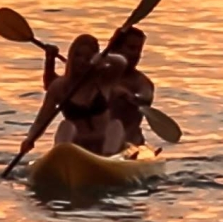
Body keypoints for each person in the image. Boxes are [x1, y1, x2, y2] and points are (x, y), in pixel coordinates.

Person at [14, 34, 126, 162]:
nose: (82, 60)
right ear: (72, 57)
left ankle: (109, 159)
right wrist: (30, 139)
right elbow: (42, 119)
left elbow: (121, 62)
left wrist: (105, 57)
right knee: (65, 126)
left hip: (104, 143)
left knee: (116, 125)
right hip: (77, 145)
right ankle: (63, 159)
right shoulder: (59, 87)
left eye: (88, 57)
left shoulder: (103, 80)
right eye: (78, 55)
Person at [106, 26, 157, 147]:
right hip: (96, 141)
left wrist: (131, 96)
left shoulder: (141, 82)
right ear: (115, 49)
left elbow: (145, 96)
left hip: (129, 143)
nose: (136, 54)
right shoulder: (96, 76)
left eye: (139, 50)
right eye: (131, 48)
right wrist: (51, 65)